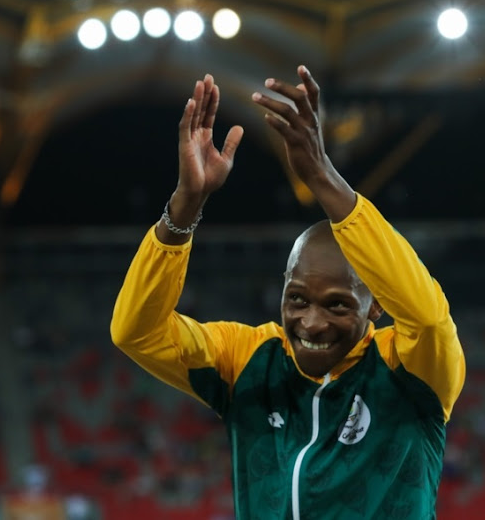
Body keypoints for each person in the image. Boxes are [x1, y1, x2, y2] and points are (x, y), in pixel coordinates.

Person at [111, 66, 466, 519]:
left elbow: (428, 317)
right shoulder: (248, 361)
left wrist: (322, 178)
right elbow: (136, 333)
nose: (311, 322)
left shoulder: (410, 370)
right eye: (297, 299)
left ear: (376, 304)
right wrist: (184, 208)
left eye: (337, 304)